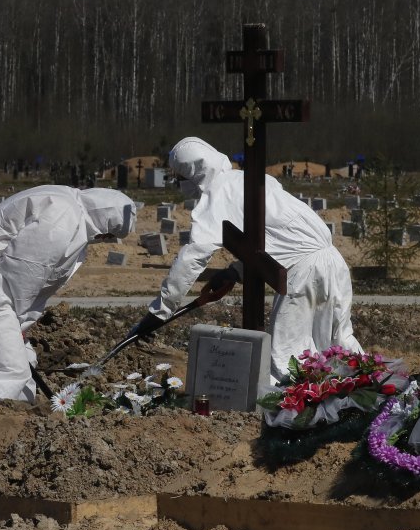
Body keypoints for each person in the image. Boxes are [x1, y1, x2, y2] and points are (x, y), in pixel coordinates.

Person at [129, 137, 362, 383]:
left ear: (192, 173)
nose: (179, 185)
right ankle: (364, 389)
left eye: (180, 178)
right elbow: (271, 235)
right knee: (338, 341)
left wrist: (160, 312)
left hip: (304, 271)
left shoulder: (216, 196)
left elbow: (192, 258)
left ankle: (294, 406)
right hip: (331, 260)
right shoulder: (248, 179)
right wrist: (235, 272)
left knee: (289, 358)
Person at [0, 186, 136, 404]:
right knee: (11, 373)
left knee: (24, 363)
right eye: (108, 234)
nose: (103, 239)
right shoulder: (63, 215)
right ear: (104, 221)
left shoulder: (69, 209)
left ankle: (14, 415)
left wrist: (19, 324)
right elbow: (24, 271)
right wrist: (17, 318)